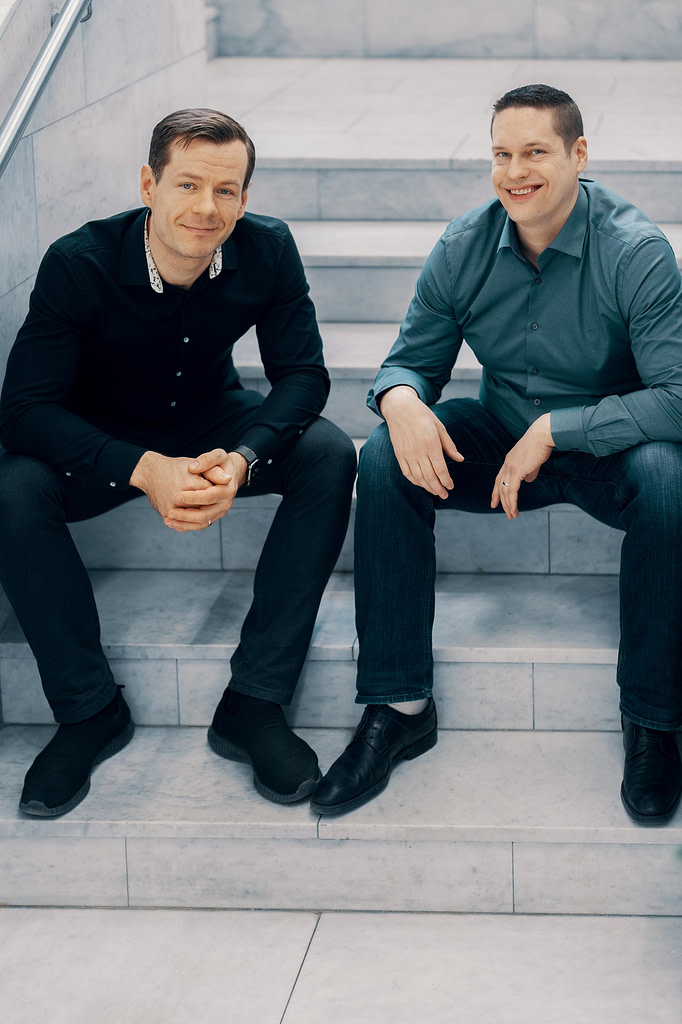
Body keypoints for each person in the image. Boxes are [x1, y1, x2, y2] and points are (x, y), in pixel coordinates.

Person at [311, 84, 682, 826]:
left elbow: (675, 397)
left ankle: (654, 719)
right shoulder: (463, 245)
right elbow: (408, 361)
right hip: (498, 435)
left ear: (579, 154)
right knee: (385, 458)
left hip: (611, 447)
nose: (514, 171)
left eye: (535, 151)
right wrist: (403, 401)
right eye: (501, 153)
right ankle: (400, 704)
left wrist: (557, 432)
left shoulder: (637, 252)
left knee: (669, 478)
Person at [0, 108, 356, 817]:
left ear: (245, 198)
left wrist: (245, 458)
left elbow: (302, 376)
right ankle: (87, 709)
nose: (206, 207)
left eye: (226, 190)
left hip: (210, 420)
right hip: (96, 436)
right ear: (148, 184)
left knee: (327, 450)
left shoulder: (269, 247)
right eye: (188, 184)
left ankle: (255, 701)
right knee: (11, 487)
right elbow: (24, 409)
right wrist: (143, 468)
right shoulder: (80, 262)